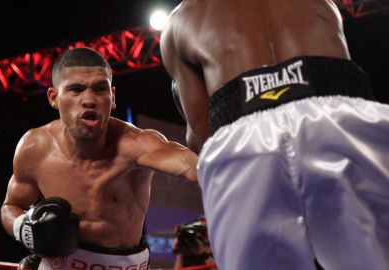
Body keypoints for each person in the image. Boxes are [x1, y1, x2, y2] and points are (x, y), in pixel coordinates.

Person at [160, 1, 389, 270]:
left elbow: (200, 134)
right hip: (341, 114)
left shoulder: (180, 21)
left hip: (243, 133)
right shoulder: (324, 3)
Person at [0, 47, 198, 270]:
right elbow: (11, 206)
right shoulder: (34, 147)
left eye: (100, 89)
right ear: (54, 98)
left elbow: (194, 165)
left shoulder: (137, 144)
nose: (89, 100)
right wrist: (23, 227)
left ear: (112, 97)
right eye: (76, 89)